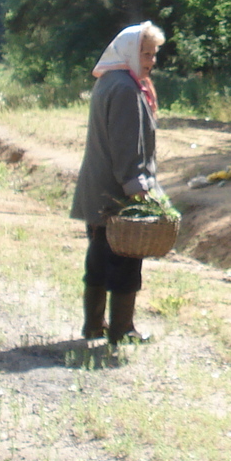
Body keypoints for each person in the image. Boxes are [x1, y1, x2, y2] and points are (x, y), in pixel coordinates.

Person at [71, 21, 165, 344]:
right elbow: (127, 147)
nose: (150, 61)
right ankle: (122, 329)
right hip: (115, 194)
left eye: (153, 54)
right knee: (125, 259)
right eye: (145, 53)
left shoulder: (109, 81)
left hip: (97, 189)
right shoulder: (126, 90)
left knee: (98, 256)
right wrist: (138, 192)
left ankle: (94, 326)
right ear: (128, 51)